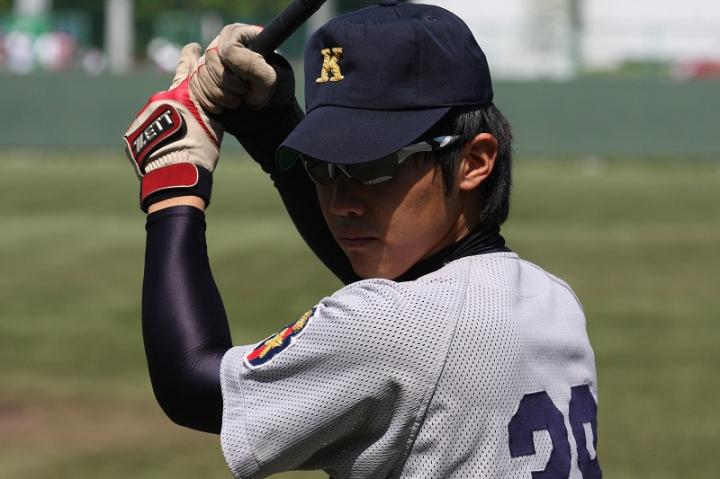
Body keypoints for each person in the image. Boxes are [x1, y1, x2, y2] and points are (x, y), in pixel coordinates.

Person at [123, 2, 601, 478]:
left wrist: (174, 183)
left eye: (375, 166)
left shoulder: (399, 330)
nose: (341, 203)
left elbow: (190, 384)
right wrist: (266, 119)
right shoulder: (554, 301)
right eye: (321, 165)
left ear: (474, 161)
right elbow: (413, 303)